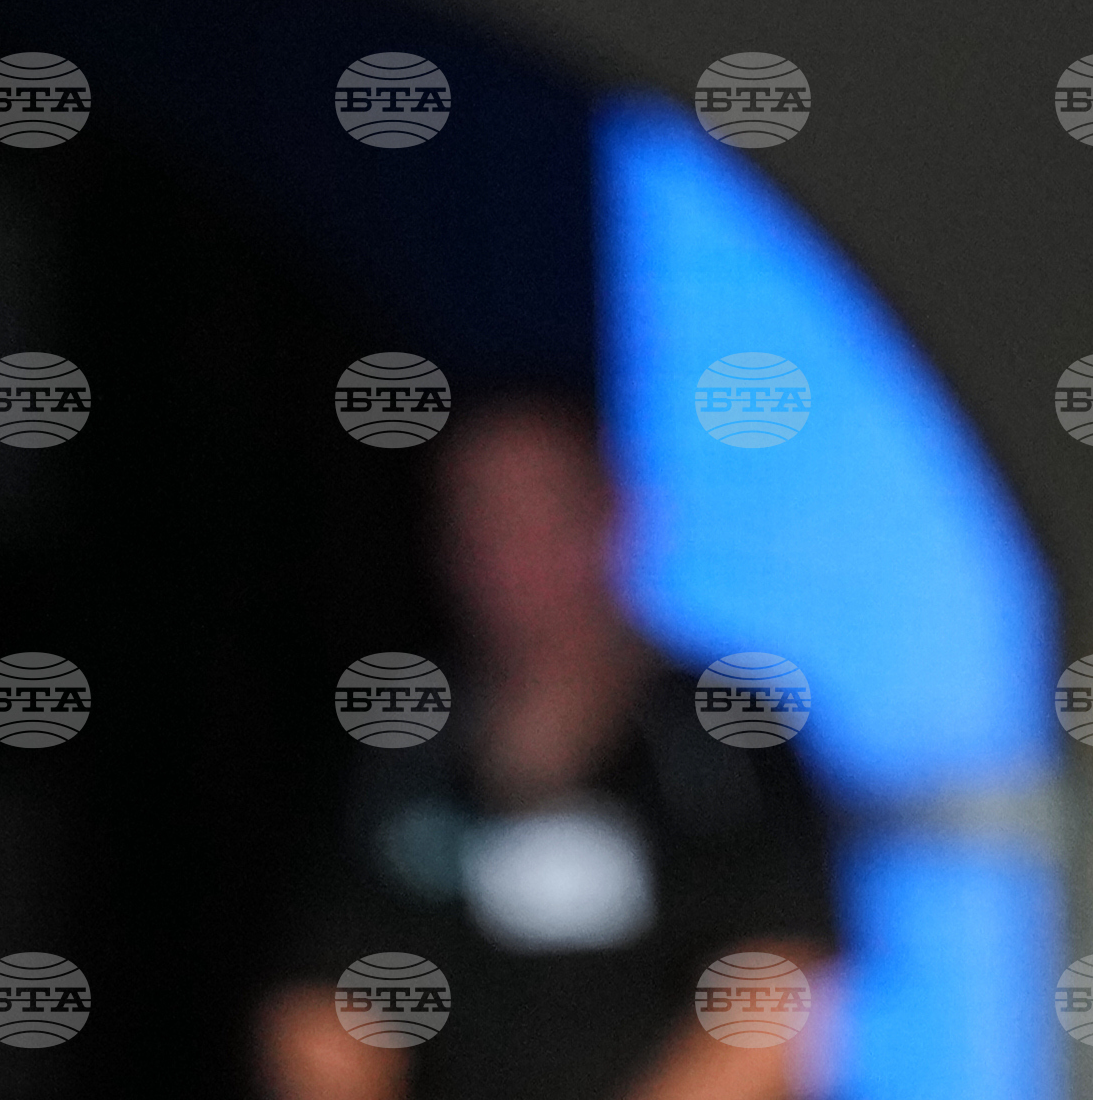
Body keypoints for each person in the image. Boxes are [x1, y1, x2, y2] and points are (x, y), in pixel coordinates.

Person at [254, 383, 841, 1100]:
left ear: (615, 516)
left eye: (544, 514)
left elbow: (774, 997)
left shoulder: (724, 738)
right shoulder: (396, 754)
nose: (513, 554)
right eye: (485, 518)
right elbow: (322, 1014)